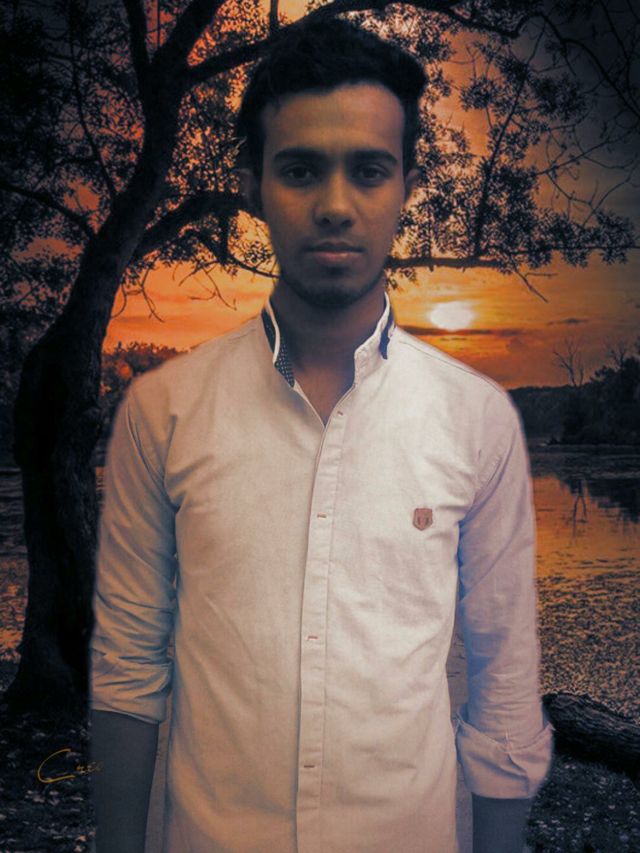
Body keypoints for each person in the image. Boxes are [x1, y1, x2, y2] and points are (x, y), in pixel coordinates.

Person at [90, 18, 553, 853]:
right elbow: (128, 669)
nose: (335, 206)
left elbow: (505, 686)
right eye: (301, 169)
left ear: (406, 186)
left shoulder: (476, 419)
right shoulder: (164, 412)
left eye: (368, 170)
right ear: (253, 185)